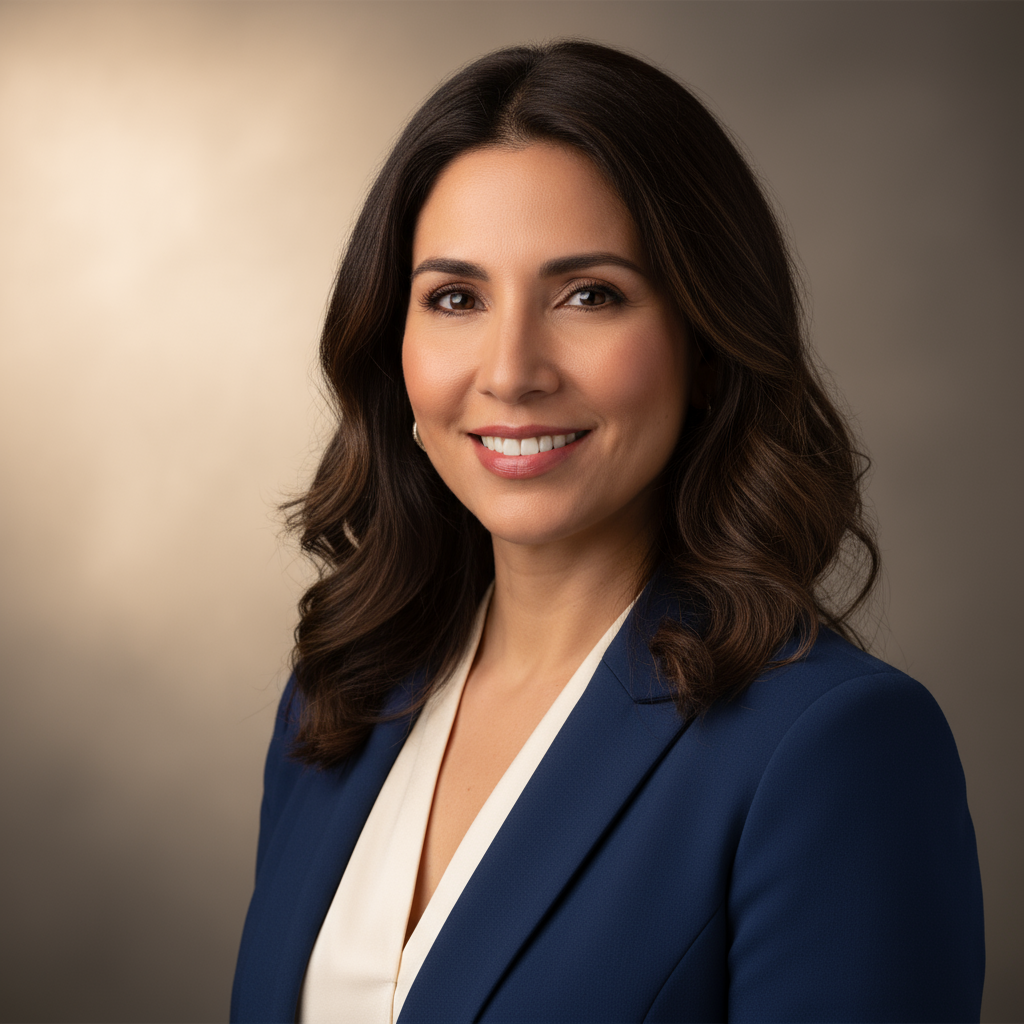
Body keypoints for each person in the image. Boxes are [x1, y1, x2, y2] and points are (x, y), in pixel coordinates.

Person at [231, 40, 984, 1023]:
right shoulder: (339, 700)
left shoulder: (834, 749)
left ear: (705, 345)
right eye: (456, 298)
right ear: (393, 344)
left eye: (589, 295)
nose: (512, 371)